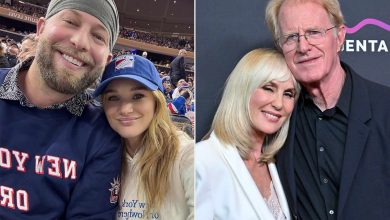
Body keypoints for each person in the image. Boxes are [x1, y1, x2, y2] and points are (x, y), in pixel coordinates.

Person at [265, 0, 390, 219]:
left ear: (339, 37)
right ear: (280, 48)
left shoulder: (385, 107)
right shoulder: (276, 117)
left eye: (314, 32)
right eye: (291, 37)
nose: (303, 47)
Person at [0, 0, 122, 219]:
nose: (79, 42)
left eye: (98, 37)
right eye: (70, 22)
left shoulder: (103, 134)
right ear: (40, 28)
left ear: (107, 59)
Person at [196, 48, 300, 220]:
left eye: (288, 94)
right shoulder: (203, 161)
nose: (279, 104)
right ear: (243, 90)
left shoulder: (279, 166)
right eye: (268, 88)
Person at [93, 54, 194, 220]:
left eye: (138, 96)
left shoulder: (186, 154)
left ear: (156, 101)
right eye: (113, 98)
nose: (125, 109)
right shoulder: (99, 156)